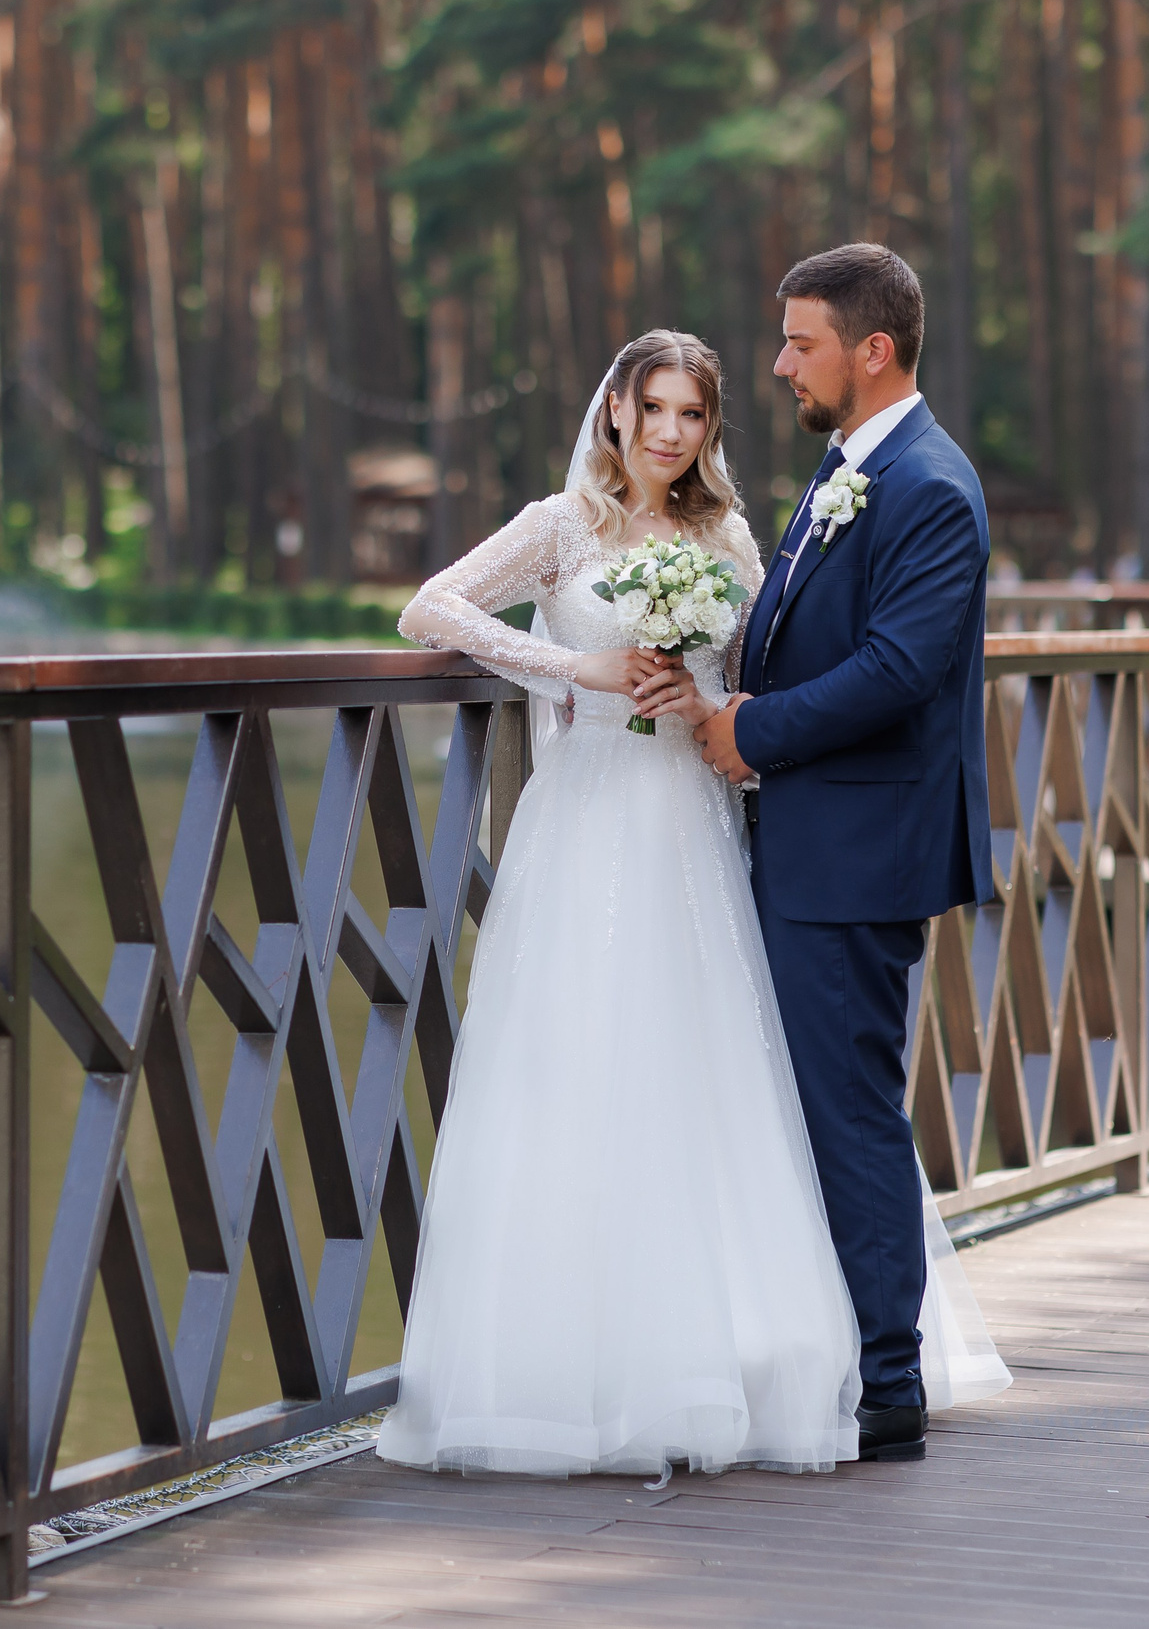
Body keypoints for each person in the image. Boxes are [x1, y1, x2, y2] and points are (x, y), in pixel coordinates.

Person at [376, 325, 1005, 1482]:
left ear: (710, 430)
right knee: (586, 1071)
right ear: (613, 407)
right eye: (652, 408)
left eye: (692, 415)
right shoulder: (560, 525)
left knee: (721, 1075)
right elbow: (431, 610)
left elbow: (760, 669)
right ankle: (581, 1366)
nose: (669, 432)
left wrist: (725, 714)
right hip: (592, 822)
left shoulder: (724, 531)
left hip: (702, 827)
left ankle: (749, 1353)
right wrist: (580, 671)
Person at [646, 244, 1002, 1463]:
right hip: (808, 835)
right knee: (804, 1102)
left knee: (844, 1107)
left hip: (856, 846)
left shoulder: (929, 488)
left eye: (799, 342)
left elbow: (900, 671)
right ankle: (830, 1355)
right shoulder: (850, 471)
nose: (780, 363)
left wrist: (748, 732)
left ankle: (888, 1385)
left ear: (873, 351)